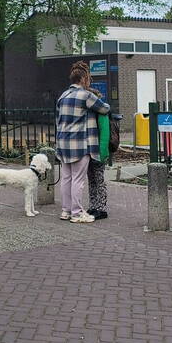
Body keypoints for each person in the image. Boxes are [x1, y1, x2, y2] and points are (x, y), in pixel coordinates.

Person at [55, 61, 110, 223]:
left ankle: (65, 211)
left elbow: (58, 120)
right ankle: (77, 213)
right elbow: (104, 108)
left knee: (66, 179)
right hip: (80, 145)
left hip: (63, 144)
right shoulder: (86, 96)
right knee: (78, 180)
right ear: (84, 79)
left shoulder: (62, 96)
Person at [86, 86, 111, 220]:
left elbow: (104, 134)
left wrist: (101, 154)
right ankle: (93, 206)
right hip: (90, 151)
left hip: (98, 153)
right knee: (92, 180)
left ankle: (101, 208)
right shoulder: (90, 113)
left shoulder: (101, 113)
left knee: (99, 180)